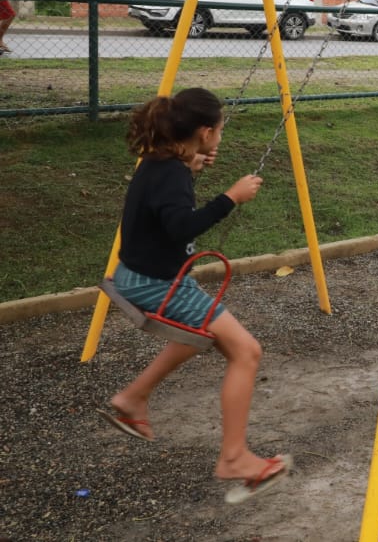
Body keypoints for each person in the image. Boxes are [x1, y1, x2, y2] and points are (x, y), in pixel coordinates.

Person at [100, 88, 291, 503]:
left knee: (195, 336)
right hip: (156, 283)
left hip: (140, 273)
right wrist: (230, 198)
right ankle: (235, 457)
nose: (220, 139)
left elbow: (166, 205)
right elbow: (181, 227)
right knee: (246, 351)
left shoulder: (163, 161)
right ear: (205, 132)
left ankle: (132, 398)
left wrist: (192, 163)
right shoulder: (171, 174)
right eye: (219, 131)